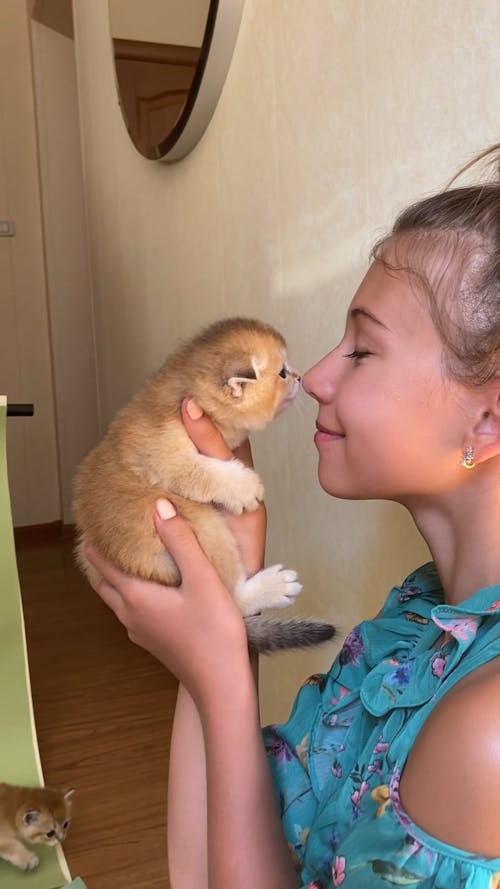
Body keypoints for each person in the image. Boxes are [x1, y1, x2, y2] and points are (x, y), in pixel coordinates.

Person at [87, 144, 500, 888]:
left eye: (364, 349)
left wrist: (219, 670)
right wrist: (224, 597)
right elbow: (204, 871)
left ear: (487, 423)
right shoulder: (413, 624)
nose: (316, 377)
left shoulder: (486, 730)